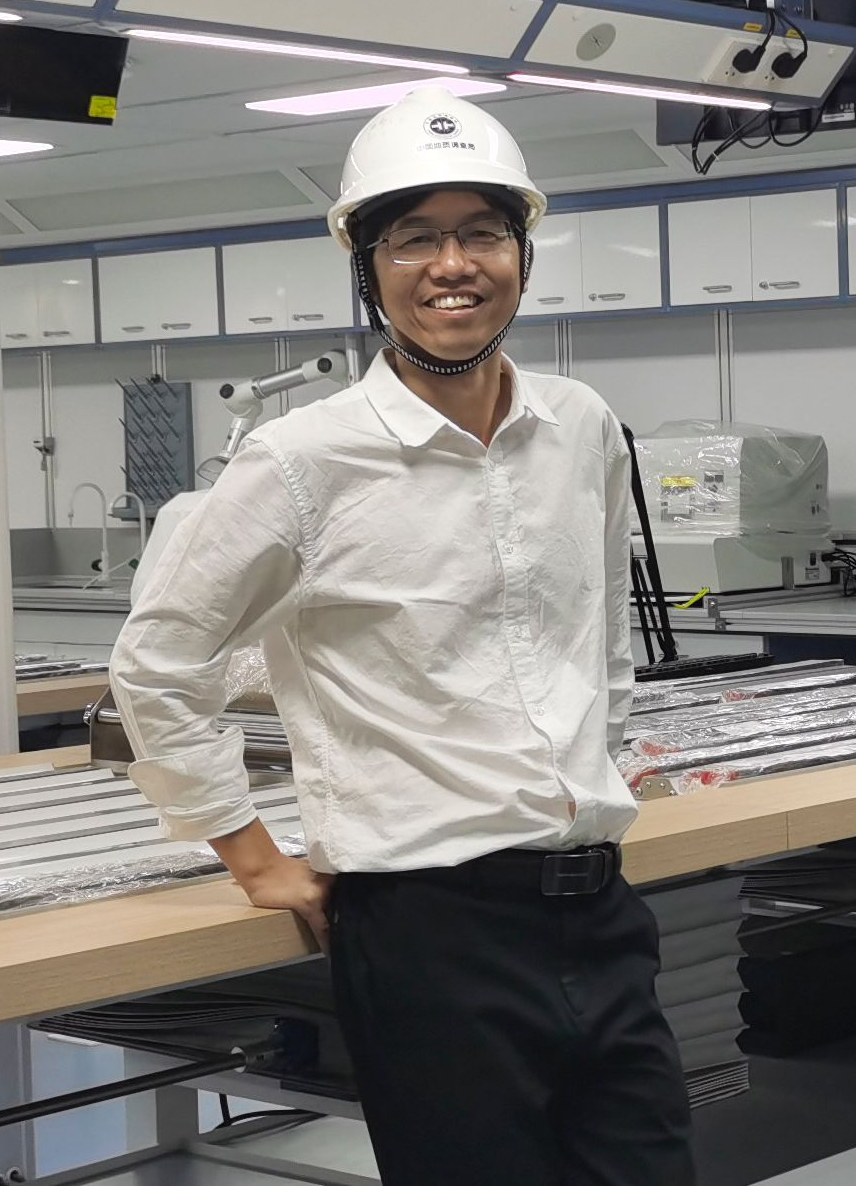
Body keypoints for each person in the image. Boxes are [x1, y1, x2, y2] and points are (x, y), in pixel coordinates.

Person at [108, 86, 695, 1186]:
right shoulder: (300, 461)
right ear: (367, 265)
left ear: (523, 253)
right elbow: (160, 661)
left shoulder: (581, 427)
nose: (452, 265)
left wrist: (595, 765)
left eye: (483, 233)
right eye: (414, 238)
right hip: (430, 929)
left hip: (598, 908)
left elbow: (599, 639)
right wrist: (252, 857)